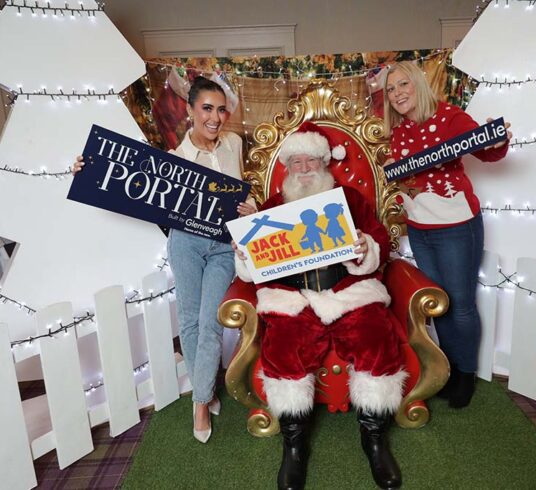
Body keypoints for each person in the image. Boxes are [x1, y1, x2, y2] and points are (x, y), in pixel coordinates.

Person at [73, 76, 256, 443]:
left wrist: (251, 209)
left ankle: (200, 397)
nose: (215, 117)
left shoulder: (234, 144)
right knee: (189, 320)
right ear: (190, 111)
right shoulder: (172, 160)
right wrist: (87, 170)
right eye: (207, 108)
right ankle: (204, 397)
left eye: (221, 109)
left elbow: (242, 200)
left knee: (210, 320)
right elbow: (127, 183)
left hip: (222, 247)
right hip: (186, 244)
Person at [233, 121, 406, 490]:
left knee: (375, 336)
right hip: (293, 297)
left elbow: (379, 241)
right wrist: (245, 250)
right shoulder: (272, 207)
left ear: (325, 162)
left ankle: (374, 441)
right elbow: (251, 272)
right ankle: (294, 447)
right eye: (295, 162)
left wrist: (364, 248)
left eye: (311, 160)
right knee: (283, 347)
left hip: (346, 290)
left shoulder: (351, 199)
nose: (304, 168)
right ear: (287, 168)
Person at [383, 61, 512, 409]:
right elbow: (408, 177)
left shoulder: (450, 116)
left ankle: (466, 374)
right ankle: (452, 368)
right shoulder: (399, 132)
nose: (397, 94)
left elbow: (487, 151)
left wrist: (497, 139)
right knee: (440, 305)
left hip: (456, 224)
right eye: (391, 89)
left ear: (418, 84)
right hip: (421, 228)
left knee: (461, 303)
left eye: (403, 84)